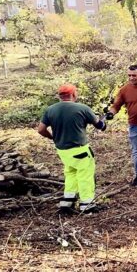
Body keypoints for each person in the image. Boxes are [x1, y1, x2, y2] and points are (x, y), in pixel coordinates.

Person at [37, 83, 106, 213]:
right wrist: (103, 123)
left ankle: (67, 203)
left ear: (59, 96)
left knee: (70, 173)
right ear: (74, 94)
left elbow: (41, 129)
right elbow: (99, 125)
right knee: (85, 175)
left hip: (62, 150)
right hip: (80, 149)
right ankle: (87, 205)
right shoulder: (82, 108)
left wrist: (52, 137)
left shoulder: (50, 110)